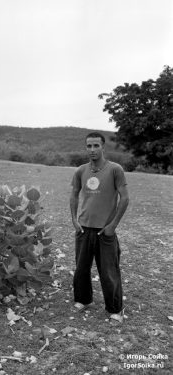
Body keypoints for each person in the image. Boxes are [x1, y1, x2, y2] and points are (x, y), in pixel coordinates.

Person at [70, 132, 129, 322]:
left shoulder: (115, 169)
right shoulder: (80, 170)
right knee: (81, 269)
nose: (92, 150)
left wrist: (113, 225)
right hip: (84, 228)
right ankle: (83, 300)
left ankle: (115, 309)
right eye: (89, 146)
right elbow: (74, 195)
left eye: (96, 146)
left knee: (109, 272)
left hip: (105, 231)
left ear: (103, 147)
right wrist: (74, 219)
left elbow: (125, 198)